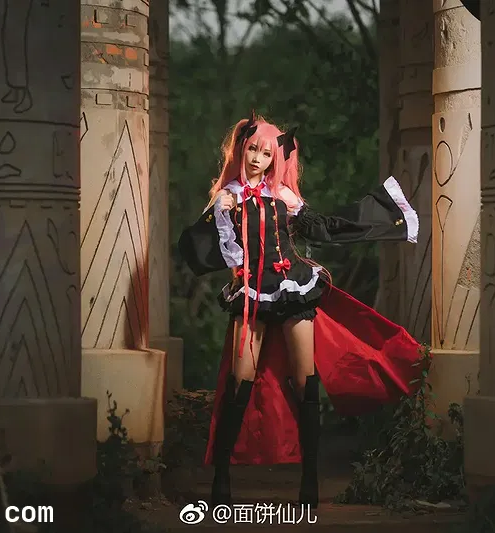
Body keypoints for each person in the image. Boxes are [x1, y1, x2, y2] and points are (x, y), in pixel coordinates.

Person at [177, 114, 426, 508]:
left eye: (266, 153)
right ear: (241, 149)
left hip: (293, 287)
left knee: (305, 383)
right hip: (253, 292)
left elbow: (325, 227)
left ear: (275, 159)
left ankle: (310, 480)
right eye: (252, 150)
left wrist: (386, 218)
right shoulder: (228, 196)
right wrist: (217, 211)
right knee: (240, 383)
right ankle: (221, 479)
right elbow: (204, 248)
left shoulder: (285, 197)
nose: (257, 159)